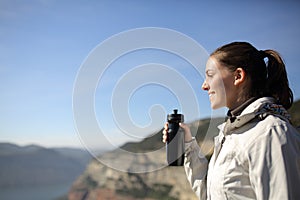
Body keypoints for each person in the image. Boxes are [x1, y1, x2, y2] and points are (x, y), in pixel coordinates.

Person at [162, 41, 300, 200]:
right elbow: (212, 194)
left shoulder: (269, 133)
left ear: (238, 76)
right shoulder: (233, 132)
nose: (204, 86)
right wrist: (188, 144)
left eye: (210, 75)